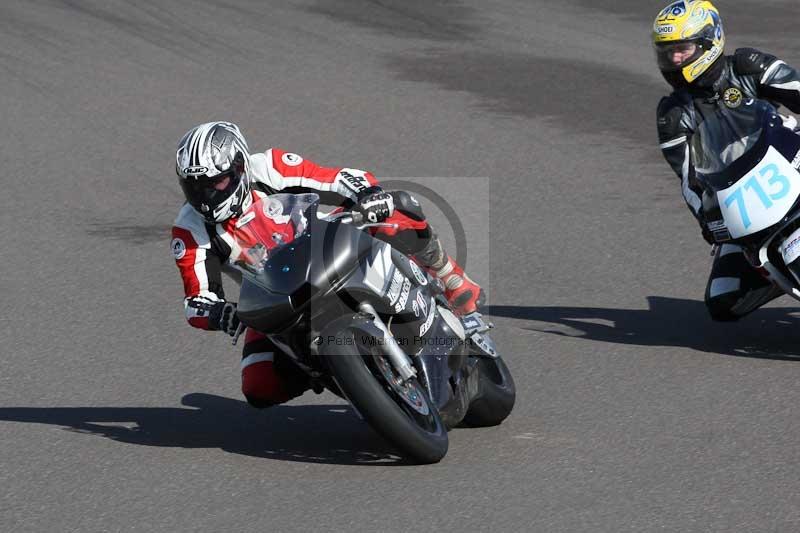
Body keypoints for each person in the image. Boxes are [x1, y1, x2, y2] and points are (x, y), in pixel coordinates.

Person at [171, 121, 484, 407]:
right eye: (196, 187)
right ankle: (340, 376)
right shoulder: (190, 229)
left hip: (327, 246)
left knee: (396, 211)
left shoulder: (268, 167)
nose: (207, 195)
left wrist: (368, 194)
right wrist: (218, 313)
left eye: (218, 182)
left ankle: (452, 279)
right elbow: (196, 300)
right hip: (278, 298)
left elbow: (336, 179)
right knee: (258, 385)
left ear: (240, 167)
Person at [653, 0, 800, 320]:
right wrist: (708, 222)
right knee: (725, 299)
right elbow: (688, 180)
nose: (674, 59)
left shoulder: (747, 67)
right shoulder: (673, 114)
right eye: (667, 53)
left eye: (682, 49)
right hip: (743, 199)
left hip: (789, 158)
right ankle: (773, 271)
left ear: (709, 42)